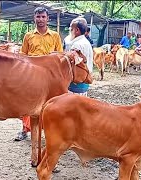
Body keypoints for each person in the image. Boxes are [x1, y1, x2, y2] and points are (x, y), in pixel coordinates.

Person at [15, 7, 63, 141]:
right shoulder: (28, 36)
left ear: (48, 19)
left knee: (50, 103)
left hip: (49, 76)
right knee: (28, 103)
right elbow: (22, 56)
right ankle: (25, 130)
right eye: (38, 17)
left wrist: (53, 56)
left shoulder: (55, 35)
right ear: (34, 18)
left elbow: (60, 54)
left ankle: (50, 131)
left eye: (43, 17)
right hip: (31, 75)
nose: (40, 19)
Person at [65, 17, 93, 96]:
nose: (70, 31)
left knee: (72, 107)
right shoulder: (86, 42)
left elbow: (73, 65)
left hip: (76, 83)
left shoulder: (77, 45)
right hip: (84, 82)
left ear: (76, 30)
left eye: (71, 29)